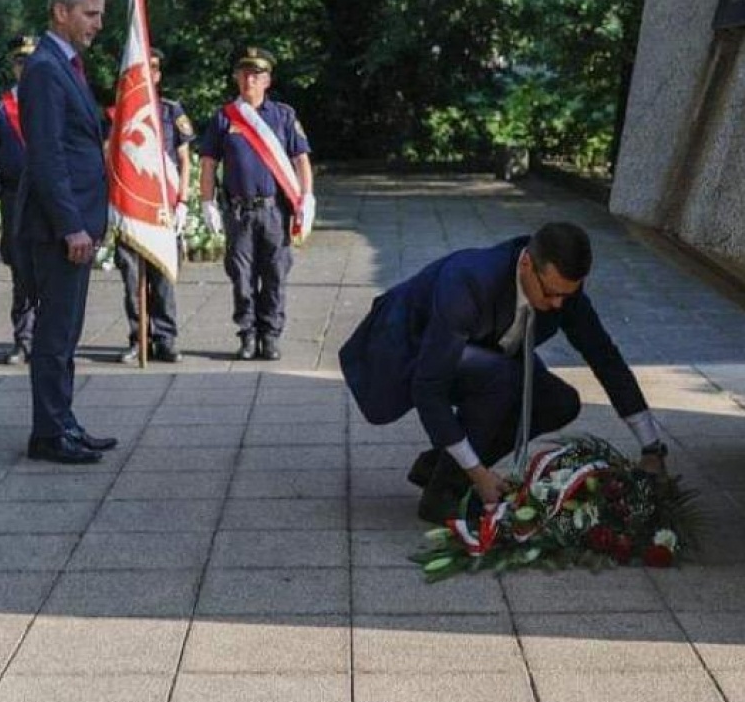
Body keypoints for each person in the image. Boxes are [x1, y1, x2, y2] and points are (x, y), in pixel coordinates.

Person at [339, 221, 670, 524]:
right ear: (526, 263)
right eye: (551, 293)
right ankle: (443, 495)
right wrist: (480, 474)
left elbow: (604, 356)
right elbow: (430, 388)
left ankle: (443, 467)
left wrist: (651, 447)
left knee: (559, 401)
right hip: (407, 351)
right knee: (502, 377)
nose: (558, 305)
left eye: (567, 295)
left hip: (482, 353)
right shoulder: (468, 281)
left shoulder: (562, 293)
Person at [15, 0, 120, 464]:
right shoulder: (43, 69)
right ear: (61, 12)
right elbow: (47, 155)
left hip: (76, 221)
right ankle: (50, 433)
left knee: (66, 331)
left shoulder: (66, 65)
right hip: (61, 228)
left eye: (100, 13)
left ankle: (62, 421)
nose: (98, 23)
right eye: (90, 12)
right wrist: (71, 225)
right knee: (55, 334)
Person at [196, 47, 313, 361]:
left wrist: (307, 197)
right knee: (242, 277)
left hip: (274, 210)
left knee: (275, 274)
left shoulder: (283, 115)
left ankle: (270, 335)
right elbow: (208, 163)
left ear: (267, 80)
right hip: (239, 211)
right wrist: (207, 202)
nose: (250, 79)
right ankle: (247, 335)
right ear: (236, 78)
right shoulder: (224, 117)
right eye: (245, 74)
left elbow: (300, 159)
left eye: (256, 75)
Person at [115, 48, 194, 364]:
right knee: (132, 280)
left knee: (163, 280)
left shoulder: (171, 111)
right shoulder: (122, 113)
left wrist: (183, 202)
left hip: (163, 209)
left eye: (153, 70)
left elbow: (185, 160)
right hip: (132, 209)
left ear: (158, 75)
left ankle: (165, 338)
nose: (147, 76)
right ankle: (139, 338)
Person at [0, 34, 38, 365]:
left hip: (50, 198)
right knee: (20, 268)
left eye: (30, 60)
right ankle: (24, 339)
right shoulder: (1, 108)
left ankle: (51, 340)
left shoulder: (54, 100)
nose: (25, 67)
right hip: (15, 198)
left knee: (51, 270)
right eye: (19, 61)